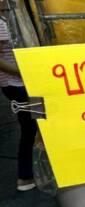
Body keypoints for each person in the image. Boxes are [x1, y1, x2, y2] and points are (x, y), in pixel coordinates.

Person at [0, 16, 36, 192]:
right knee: (31, 128)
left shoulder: (5, 19)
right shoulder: (0, 23)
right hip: (17, 84)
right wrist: (25, 73)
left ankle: (29, 173)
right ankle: (25, 176)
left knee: (33, 126)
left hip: (14, 84)